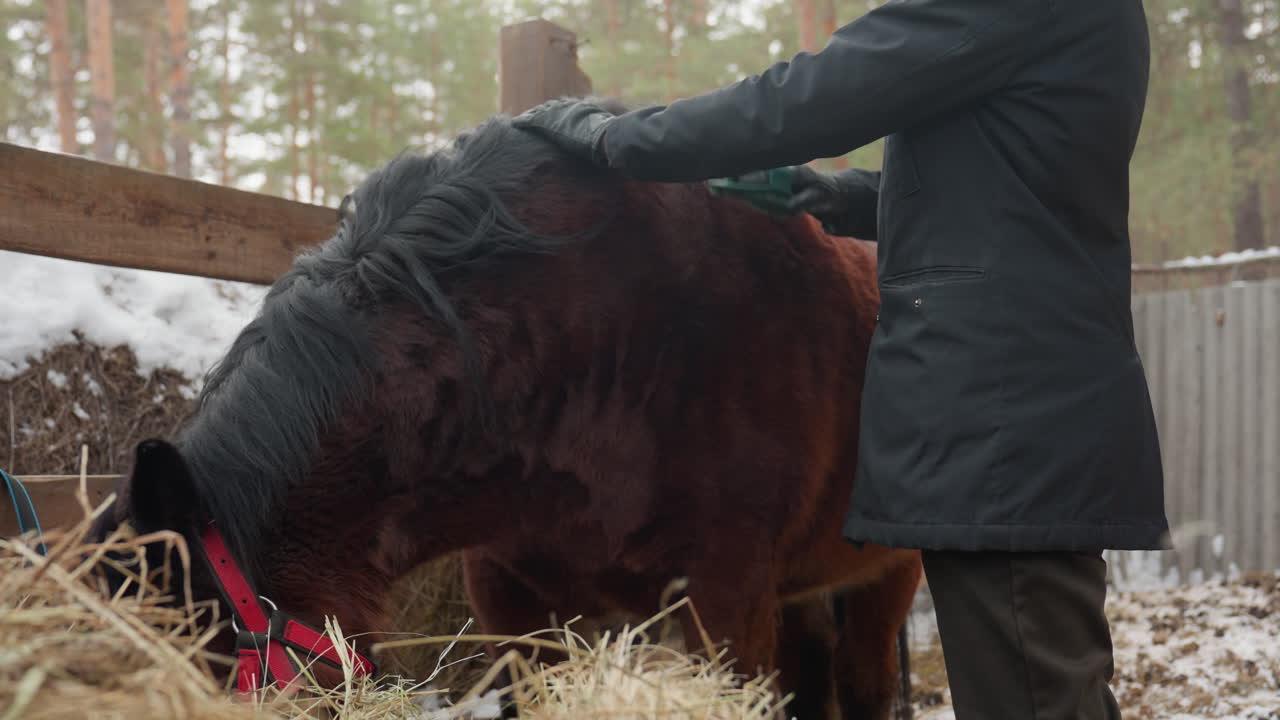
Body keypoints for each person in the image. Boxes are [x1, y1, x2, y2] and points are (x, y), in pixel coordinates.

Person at [512, 0, 1169, 718]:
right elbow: (1013, 192)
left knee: (1032, 699)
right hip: (1021, 406)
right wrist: (841, 197)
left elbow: (813, 96)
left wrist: (617, 141)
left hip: (1004, 419)